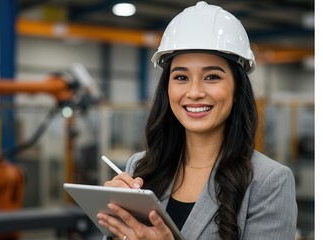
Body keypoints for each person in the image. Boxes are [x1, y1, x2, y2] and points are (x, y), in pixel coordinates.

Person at [96, 1, 297, 240]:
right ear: (167, 89)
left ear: (236, 90)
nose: (194, 92)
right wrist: (116, 223)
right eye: (181, 77)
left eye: (212, 76)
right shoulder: (141, 167)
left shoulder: (269, 181)